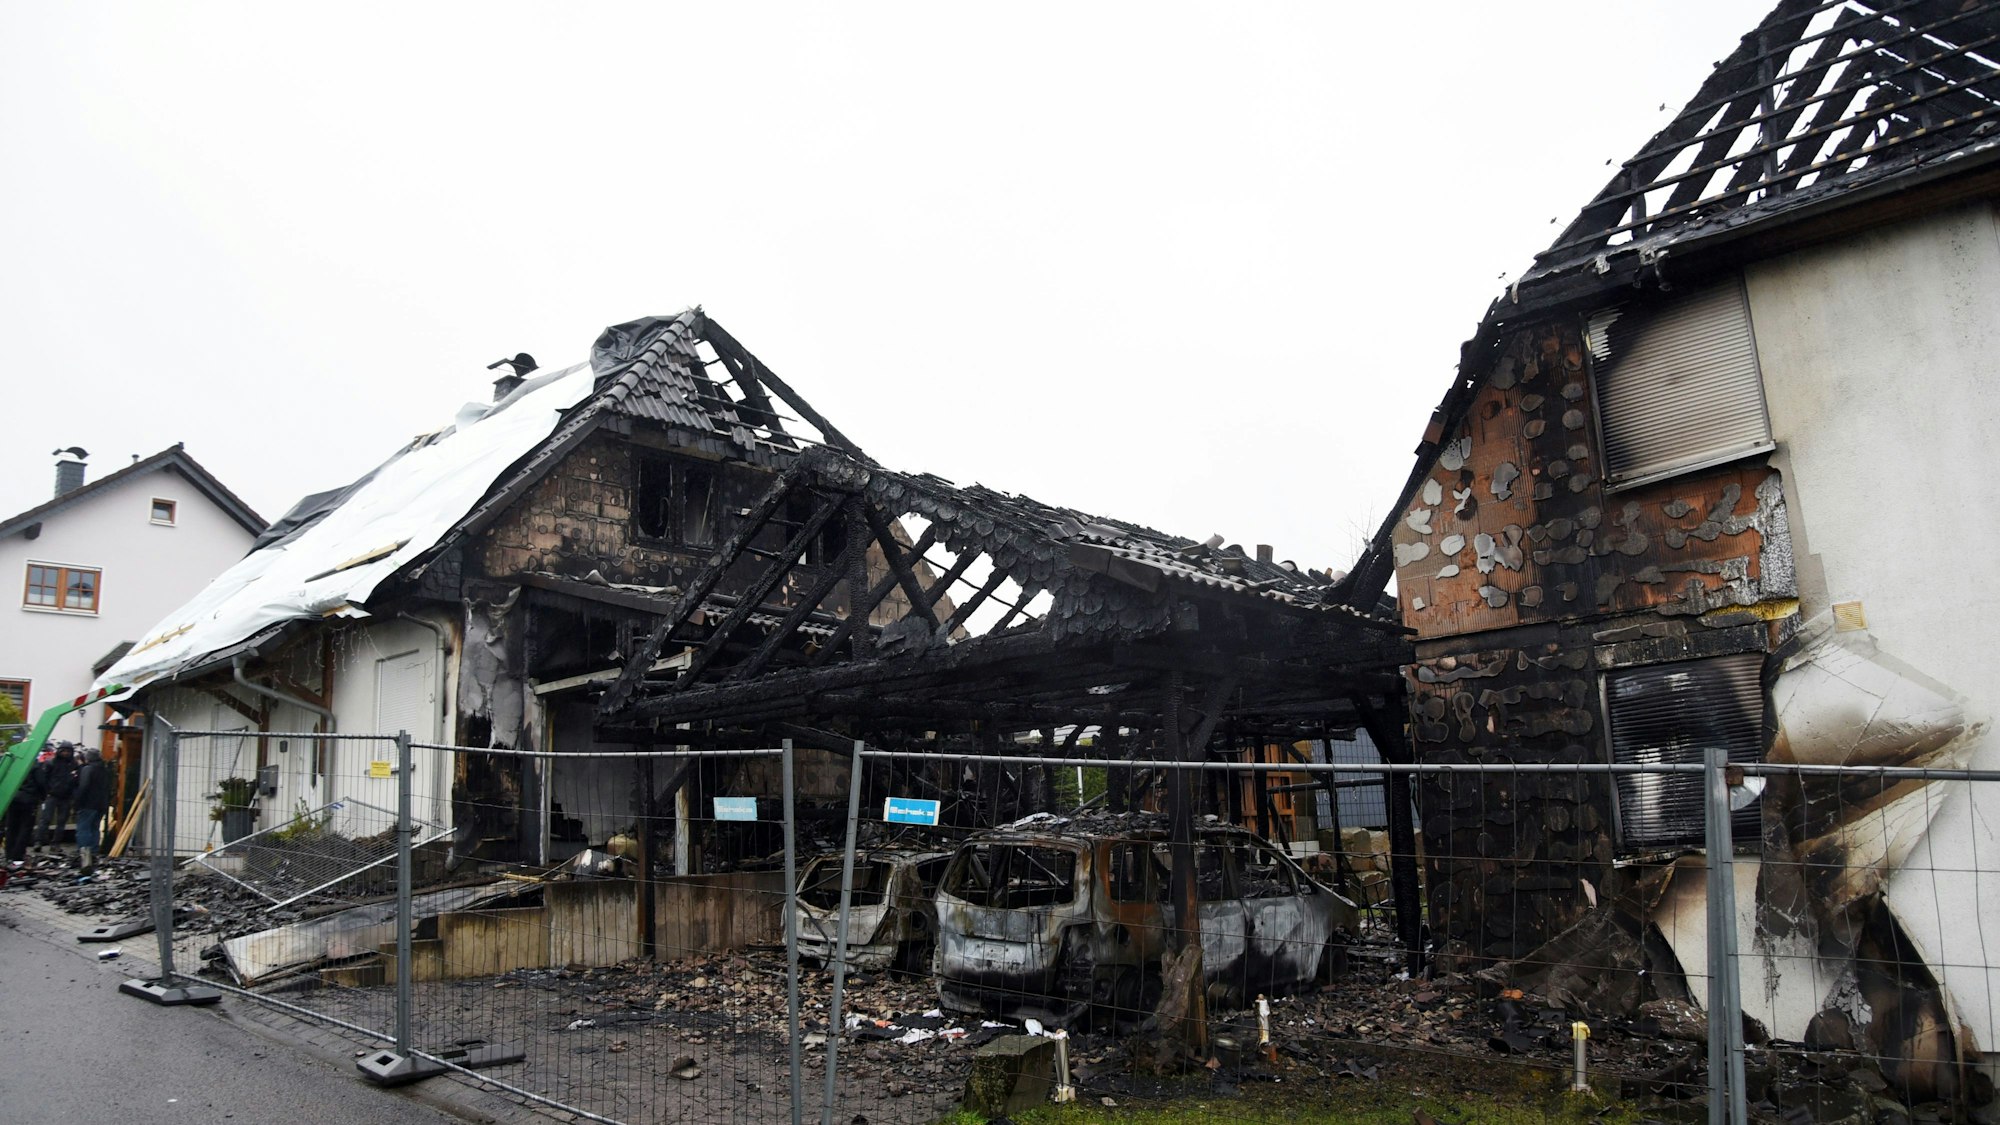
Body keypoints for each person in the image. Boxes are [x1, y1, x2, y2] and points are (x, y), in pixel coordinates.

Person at [35, 742, 81, 855]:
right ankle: (39, 841)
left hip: (65, 797)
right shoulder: (51, 762)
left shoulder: (73, 764)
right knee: (45, 820)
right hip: (53, 795)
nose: (65, 753)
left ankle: (55, 844)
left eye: (68, 751)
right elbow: (43, 779)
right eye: (63, 751)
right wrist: (47, 791)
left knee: (61, 822)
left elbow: (77, 781)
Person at [73, 746, 111, 874]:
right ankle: (94, 852)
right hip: (101, 804)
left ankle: (84, 854)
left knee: (83, 829)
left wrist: (77, 801)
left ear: (88, 758)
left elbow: (83, 786)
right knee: (94, 828)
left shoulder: (87, 769)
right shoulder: (104, 770)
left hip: (88, 803)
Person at [3, 749, 46, 863]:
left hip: (13, 798)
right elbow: (41, 783)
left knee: (12, 827)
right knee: (25, 828)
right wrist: (43, 796)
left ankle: (9, 854)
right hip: (29, 800)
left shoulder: (14, 764)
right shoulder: (35, 765)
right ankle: (18, 855)